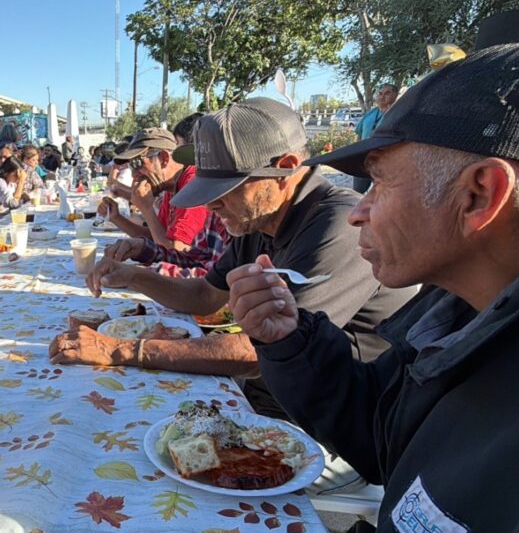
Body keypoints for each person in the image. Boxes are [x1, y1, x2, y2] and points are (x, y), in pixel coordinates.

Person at [226, 41, 519, 533]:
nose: (360, 211)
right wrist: (290, 340)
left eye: (378, 181)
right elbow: (383, 435)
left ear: (480, 194)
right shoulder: (454, 305)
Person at [51, 97, 417, 420]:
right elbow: (203, 296)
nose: (210, 204)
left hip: (331, 428)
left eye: (225, 189)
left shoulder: (338, 224)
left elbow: (259, 349)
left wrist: (123, 350)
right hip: (264, 397)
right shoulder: (260, 219)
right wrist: (133, 276)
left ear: (285, 168)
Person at [100, 127, 219, 254]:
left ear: (163, 158)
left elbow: (178, 252)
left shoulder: (193, 185)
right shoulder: (170, 185)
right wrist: (116, 218)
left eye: (137, 163)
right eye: (131, 166)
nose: (134, 175)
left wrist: (146, 209)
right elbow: (156, 237)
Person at [351, 84, 399, 193]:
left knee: (381, 192)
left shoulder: (398, 114)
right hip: (363, 158)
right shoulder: (371, 113)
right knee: (357, 191)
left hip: (384, 160)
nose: (382, 97)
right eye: (380, 93)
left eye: (387, 93)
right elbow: (359, 133)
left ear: (395, 95)